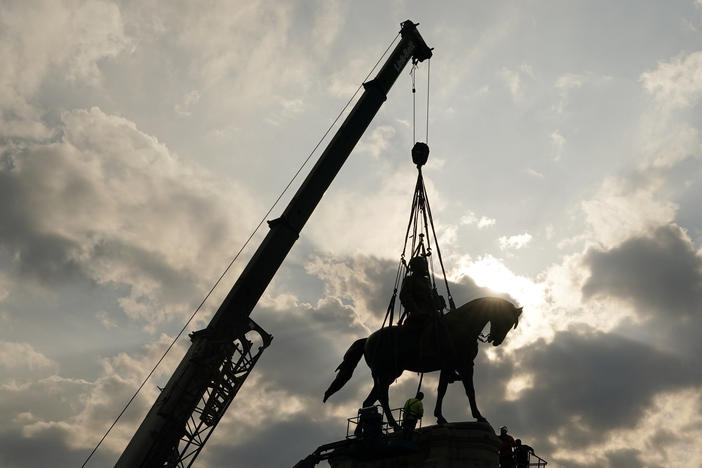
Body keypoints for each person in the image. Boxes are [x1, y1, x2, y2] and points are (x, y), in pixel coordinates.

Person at [400, 255, 436, 336]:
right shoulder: (409, 280)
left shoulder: (427, 281)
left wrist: (437, 301)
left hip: (431, 314)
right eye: (423, 265)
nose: (425, 267)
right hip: (417, 316)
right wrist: (416, 310)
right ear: (417, 267)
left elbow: (430, 297)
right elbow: (405, 297)